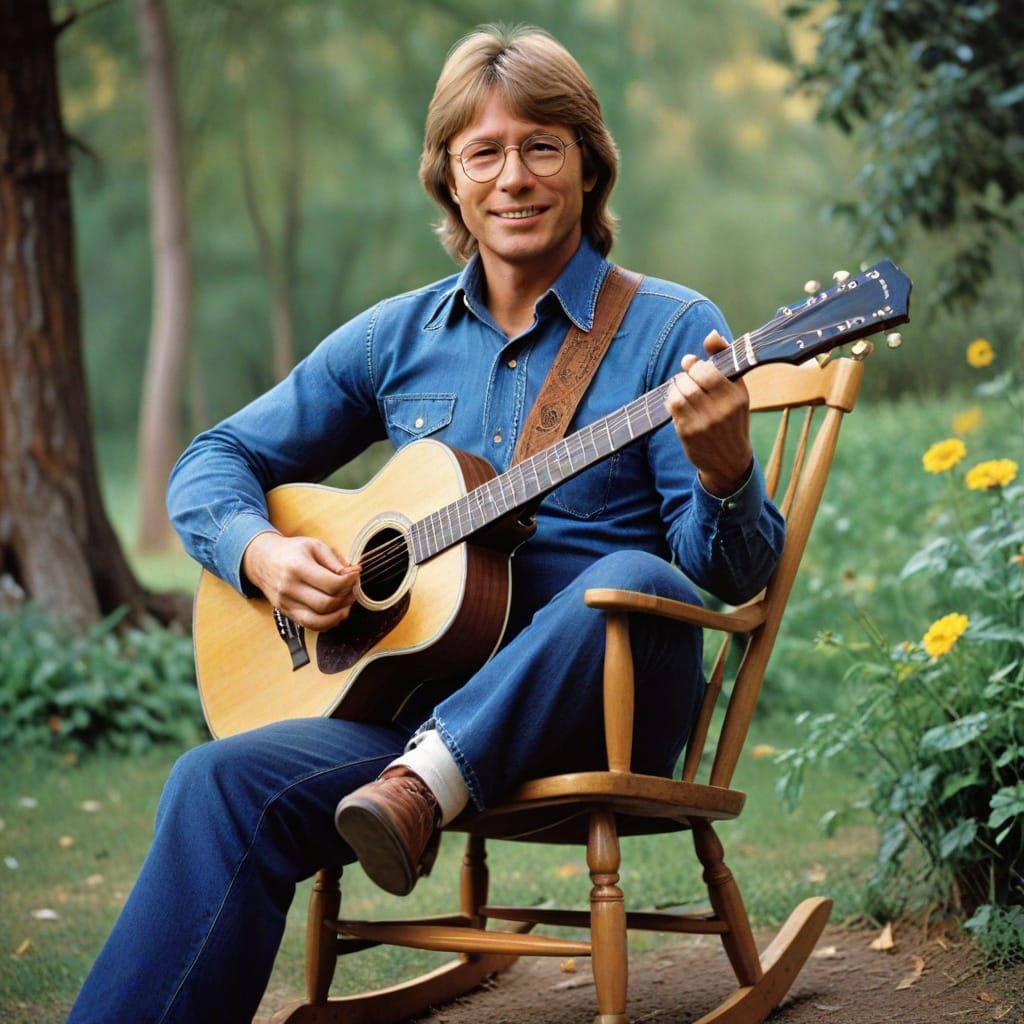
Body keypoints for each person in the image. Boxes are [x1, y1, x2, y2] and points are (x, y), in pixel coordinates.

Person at [68, 24, 784, 1024]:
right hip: (405, 729)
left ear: (588, 165)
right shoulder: (396, 338)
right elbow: (210, 462)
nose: (514, 176)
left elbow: (733, 573)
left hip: (604, 708)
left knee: (633, 577)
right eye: (482, 152)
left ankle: (425, 784)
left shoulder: (667, 329)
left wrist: (725, 471)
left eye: (541, 145)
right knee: (212, 783)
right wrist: (263, 552)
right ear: (448, 178)